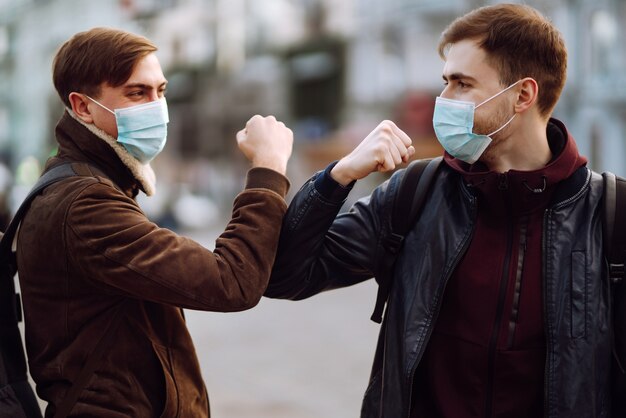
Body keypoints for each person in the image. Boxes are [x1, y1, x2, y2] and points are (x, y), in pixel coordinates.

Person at [265, 4, 624, 417]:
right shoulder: (415, 195)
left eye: (462, 83)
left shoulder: (611, 216)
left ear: (523, 95)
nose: (443, 99)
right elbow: (284, 276)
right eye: (445, 81)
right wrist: (337, 177)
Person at [17, 27, 293, 417]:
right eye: (136, 93)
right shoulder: (84, 204)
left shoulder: (95, 184)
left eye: (160, 91)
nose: (156, 106)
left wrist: (335, 180)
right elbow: (230, 282)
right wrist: (268, 169)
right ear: (82, 107)